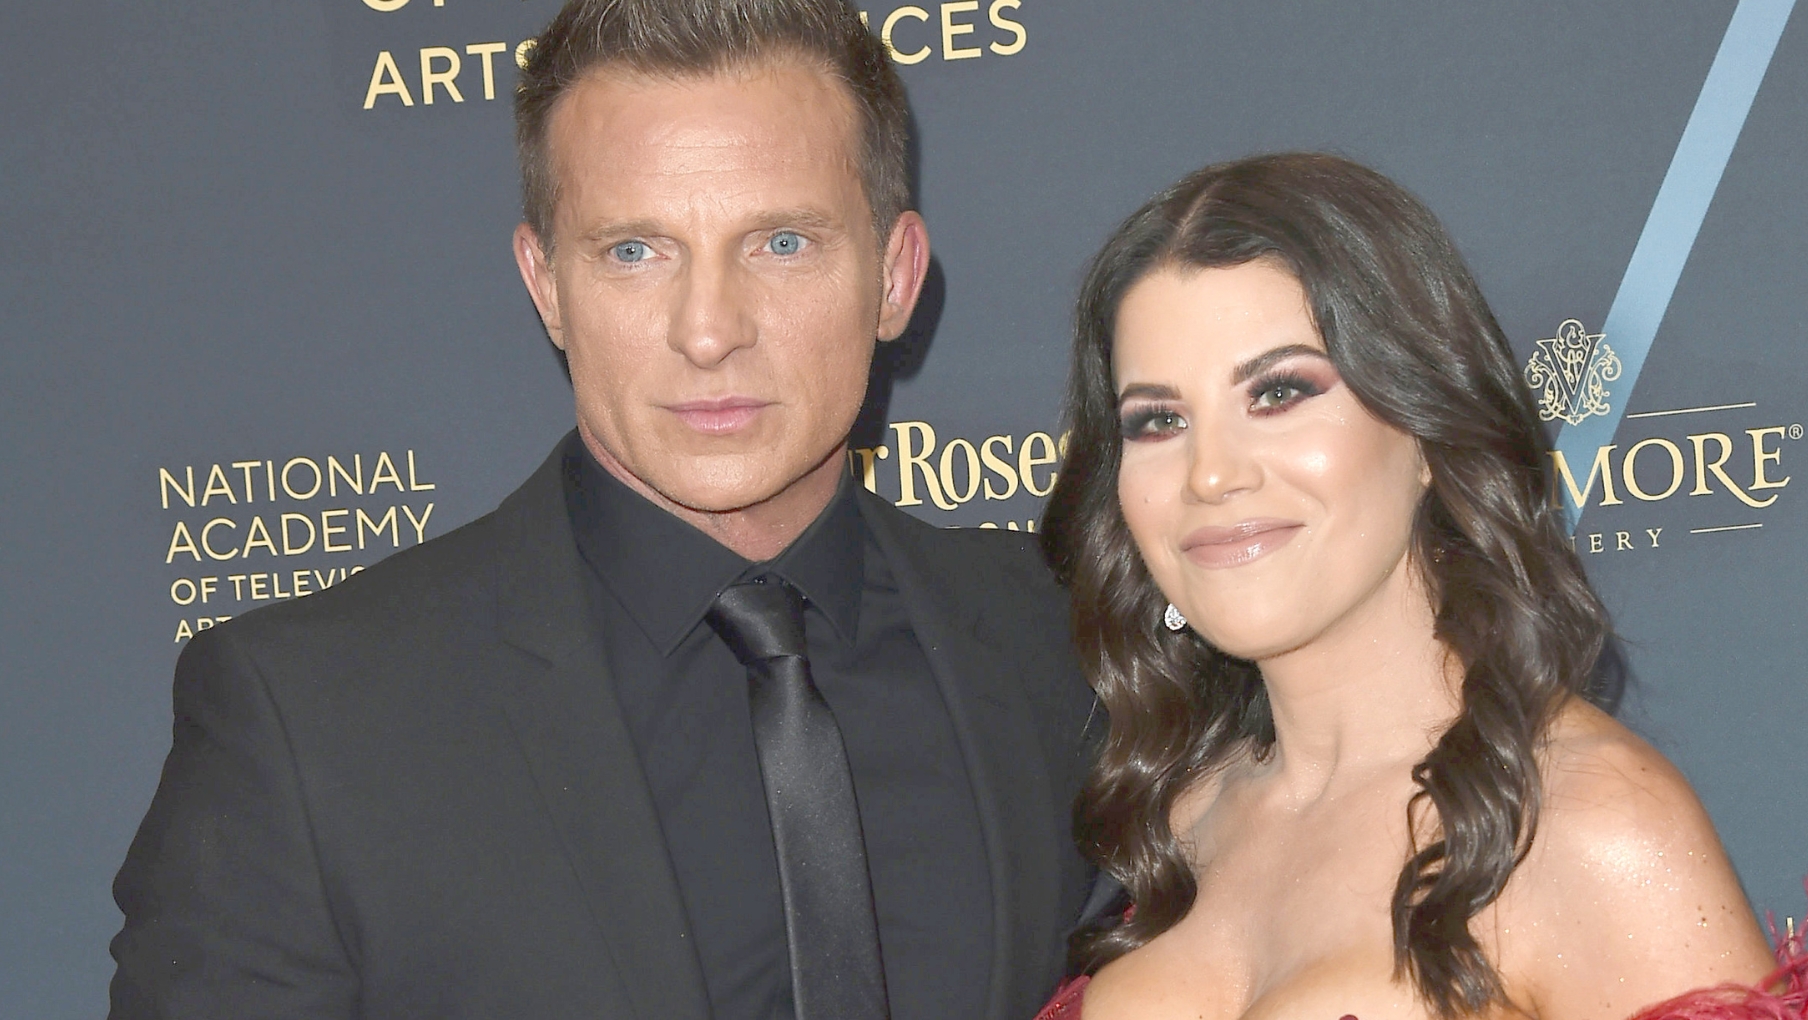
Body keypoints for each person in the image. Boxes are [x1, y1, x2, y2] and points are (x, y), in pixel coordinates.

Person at [107, 1, 1094, 1017]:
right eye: (634, 251)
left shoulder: (1057, 643)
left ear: (893, 278)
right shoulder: (307, 720)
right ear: (546, 286)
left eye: (782, 242)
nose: (708, 331)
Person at [1034, 154, 1808, 1020]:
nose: (1209, 475)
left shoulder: (1590, 825)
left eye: (1278, 394)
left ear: (1427, 429)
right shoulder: (1172, 822)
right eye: (1157, 420)